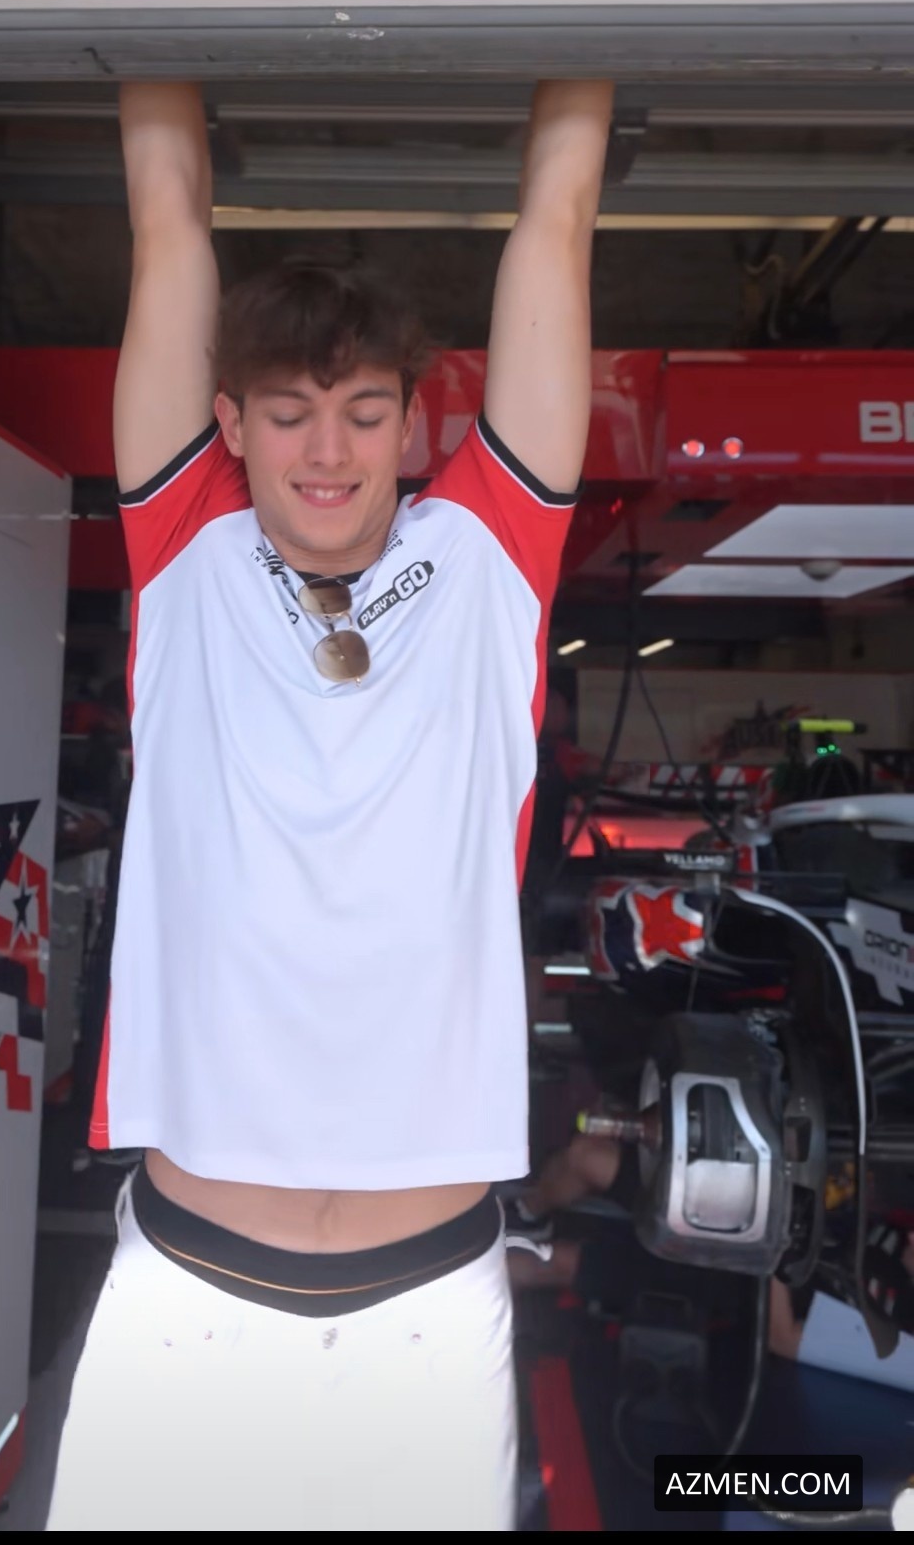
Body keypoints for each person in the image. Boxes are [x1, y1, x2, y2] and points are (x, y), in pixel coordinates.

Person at [46, 77, 613, 1533]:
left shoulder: (487, 559)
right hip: (188, 1300)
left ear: (414, 424)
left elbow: (557, 223)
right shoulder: (185, 553)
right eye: (289, 415)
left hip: (425, 1317)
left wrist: (596, 11)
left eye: (365, 414)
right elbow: (167, 223)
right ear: (229, 423)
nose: (327, 451)